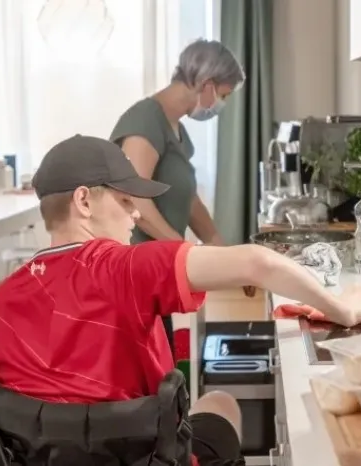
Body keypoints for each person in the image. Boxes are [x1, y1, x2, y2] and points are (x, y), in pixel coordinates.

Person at [0, 135, 361, 466]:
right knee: (222, 403)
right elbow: (257, 262)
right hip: (147, 457)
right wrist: (342, 307)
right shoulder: (122, 268)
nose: (136, 214)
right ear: (84, 201)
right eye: (125, 200)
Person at [109, 38, 246, 352]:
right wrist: (180, 249)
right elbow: (134, 195)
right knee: (146, 366)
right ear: (207, 85)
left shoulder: (176, 129)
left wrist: (218, 246)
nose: (219, 105)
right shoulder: (145, 120)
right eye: (223, 95)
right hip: (132, 272)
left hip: (154, 269)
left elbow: (186, 196)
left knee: (164, 359)